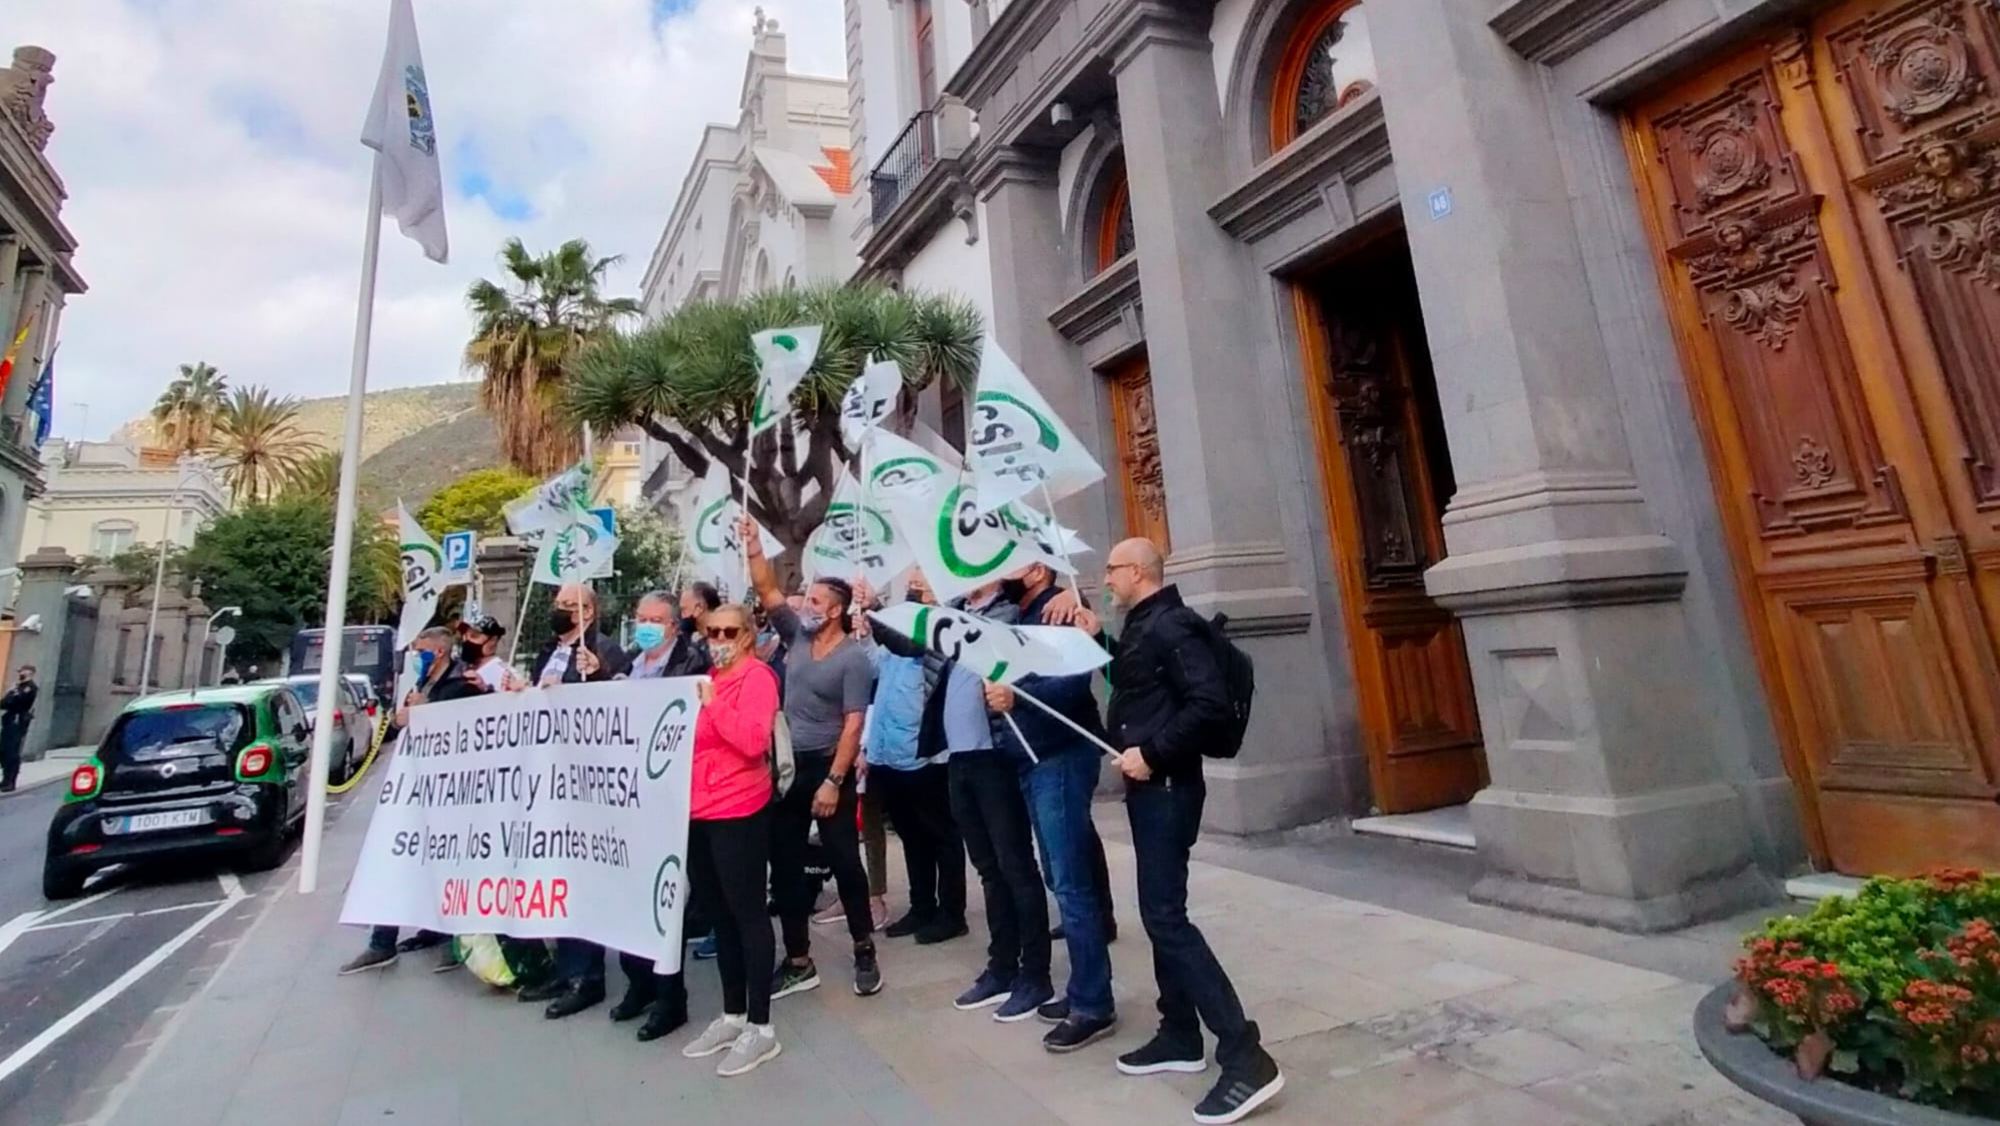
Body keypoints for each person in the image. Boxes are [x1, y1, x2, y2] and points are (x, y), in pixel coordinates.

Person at [1073, 538, 1284, 1125]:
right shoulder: (1146, 624)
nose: (1105, 578)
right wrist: (1098, 640)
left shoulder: (1172, 626)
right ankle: (1178, 1033)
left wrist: (1153, 753)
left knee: (1165, 917)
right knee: (1161, 911)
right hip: (1152, 789)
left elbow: (1208, 705)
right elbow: (1140, 683)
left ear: (1138, 571)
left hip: (1167, 789)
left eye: (1112, 569)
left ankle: (1245, 1055)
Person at [740, 515, 881, 999]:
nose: (807, 605)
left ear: (837, 610)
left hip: (826, 768)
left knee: (844, 859)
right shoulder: (796, 636)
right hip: (785, 768)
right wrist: (755, 545)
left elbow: (853, 724)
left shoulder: (853, 659)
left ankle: (864, 948)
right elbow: (766, 591)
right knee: (785, 864)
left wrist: (834, 781)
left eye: (817, 601)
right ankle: (798, 957)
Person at [983, 562, 1118, 1053]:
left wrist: (1013, 696)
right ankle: (1085, 987)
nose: (1000, 571)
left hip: (1060, 756)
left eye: (1010, 562)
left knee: (1069, 880)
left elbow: (1070, 681)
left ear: (1037, 569)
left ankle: (1093, 1003)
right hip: (1033, 757)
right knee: (1059, 876)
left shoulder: (1058, 610)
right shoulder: (1025, 612)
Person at [338, 627, 488, 975]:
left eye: (421, 650)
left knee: (450, 864)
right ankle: (382, 941)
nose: (415, 656)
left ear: (438, 652)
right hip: (416, 789)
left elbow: (467, 727)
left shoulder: (464, 684)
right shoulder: (420, 685)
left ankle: (452, 938)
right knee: (397, 860)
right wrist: (403, 718)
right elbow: (397, 728)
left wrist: (428, 710)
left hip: (452, 792)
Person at [676, 603, 784, 1077]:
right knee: (718, 913)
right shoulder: (707, 679)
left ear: (747, 633)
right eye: (711, 630)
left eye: (728, 630)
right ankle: (732, 1012)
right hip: (699, 809)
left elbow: (753, 741)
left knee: (747, 913)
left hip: (740, 807)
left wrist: (714, 706)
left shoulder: (757, 678)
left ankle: (761, 1026)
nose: (718, 637)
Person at [519, 582, 633, 1018]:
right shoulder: (551, 649)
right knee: (560, 875)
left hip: (588, 782)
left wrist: (600, 673)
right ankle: (567, 969)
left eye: (570, 605)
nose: (561, 611)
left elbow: (618, 708)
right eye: (558, 604)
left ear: (589, 611)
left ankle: (588, 977)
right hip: (553, 779)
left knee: (584, 879)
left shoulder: (605, 650)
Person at [606, 590, 708, 1042]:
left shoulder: (692, 664)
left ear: (672, 626)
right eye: (639, 617)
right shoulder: (631, 665)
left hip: (671, 798)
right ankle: (639, 983)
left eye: (654, 619)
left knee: (664, 900)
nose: (645, 625)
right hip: (631, 801)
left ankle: (671, 996)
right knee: (627, 894)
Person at [853, 579, 967, 946]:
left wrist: (874, 609)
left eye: (923, 574)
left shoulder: (941, 625)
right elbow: (877, 667)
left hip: (925, 752)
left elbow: (907, 646)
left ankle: (952, 913)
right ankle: (922, 905)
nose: (916, 581)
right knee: (911, 835)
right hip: (890, 750)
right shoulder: (902, 622)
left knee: (941, 835)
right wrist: (867, 633)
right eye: (913, 574)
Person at [0, 664, 36, 792]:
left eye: (22, 671)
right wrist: (11, 692)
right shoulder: (17, 687)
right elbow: (3, 703)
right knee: (3, 751)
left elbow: (16, 701)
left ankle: (10, 781)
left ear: (30, 673)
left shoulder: (30, 687)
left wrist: (12, 694)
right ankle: (5, 779)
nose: (20, 673)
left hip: (17, 721)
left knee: (12, 752)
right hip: (9, 721)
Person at [458, 614, 512, 691]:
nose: (467, 640)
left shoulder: (505, 674)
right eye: (465, 635)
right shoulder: (459, 667)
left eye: (474, 636)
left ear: (493, 640)